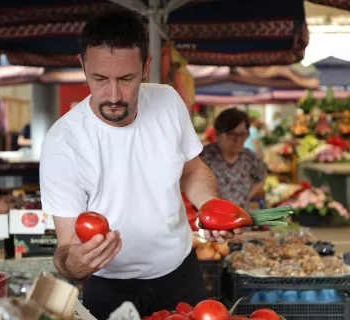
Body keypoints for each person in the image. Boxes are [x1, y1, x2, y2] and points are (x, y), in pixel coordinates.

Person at [39, 9, 243, 319]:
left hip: (180, 273)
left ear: (146, 67)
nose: (113, 95)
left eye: (126, 79)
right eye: (99, 79)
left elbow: (192, 169)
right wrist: (74, 264)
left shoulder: (168, 102)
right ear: (83, 67)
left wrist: (210, 206)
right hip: (108, 286)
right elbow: (66, 247)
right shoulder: (62, 142)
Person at [200, 108, 267, 211]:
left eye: (243, 135)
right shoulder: (205, 157)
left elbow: (262, 176)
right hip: (210, 219)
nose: (238, 140)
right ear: (218, 134)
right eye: (232, 135)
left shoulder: (249, 157)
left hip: (240, 218)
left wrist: (248, 195)